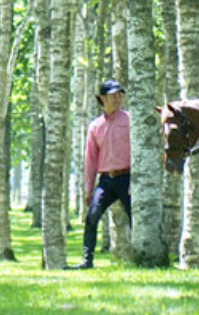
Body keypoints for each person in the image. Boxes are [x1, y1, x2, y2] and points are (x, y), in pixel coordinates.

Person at [67, 80, 132, 270]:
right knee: (92, 217)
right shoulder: (95, 126)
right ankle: (87, 261)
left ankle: (143, 256)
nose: (118, 99)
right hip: (106, 181)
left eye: (120, 95)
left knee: (136, 217)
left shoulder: (129, 120)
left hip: (127, 178)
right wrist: (88, 189)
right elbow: (90, 160)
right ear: (102, 99)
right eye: (113, 96)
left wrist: (136, 180)